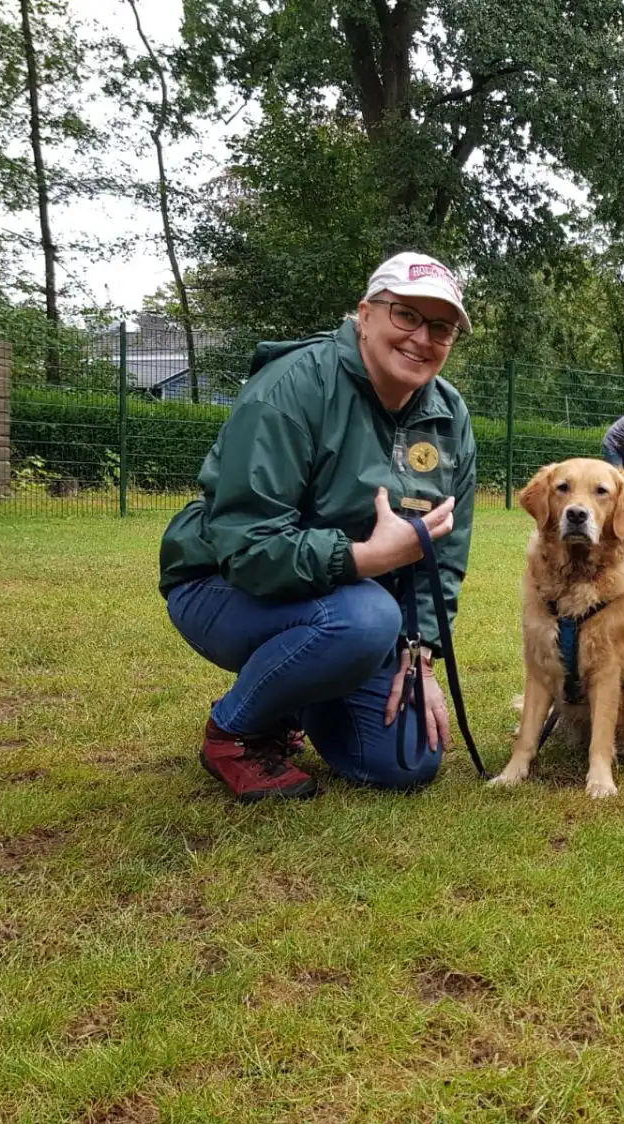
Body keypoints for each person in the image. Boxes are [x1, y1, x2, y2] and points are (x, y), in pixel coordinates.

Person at [158, 252, 477, 801]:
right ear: (365, 315)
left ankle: (299, 692)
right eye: (405, 315)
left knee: (405, 763)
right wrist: (368, 559)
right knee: (367, 617)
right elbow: (247, 545)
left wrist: (420, 652)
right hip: (220, 585)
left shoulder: (449, 416)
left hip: (345, 609)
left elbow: (443, 555)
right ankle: (234, 732)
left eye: (441, 327)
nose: (422, 338)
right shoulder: (291, 386)